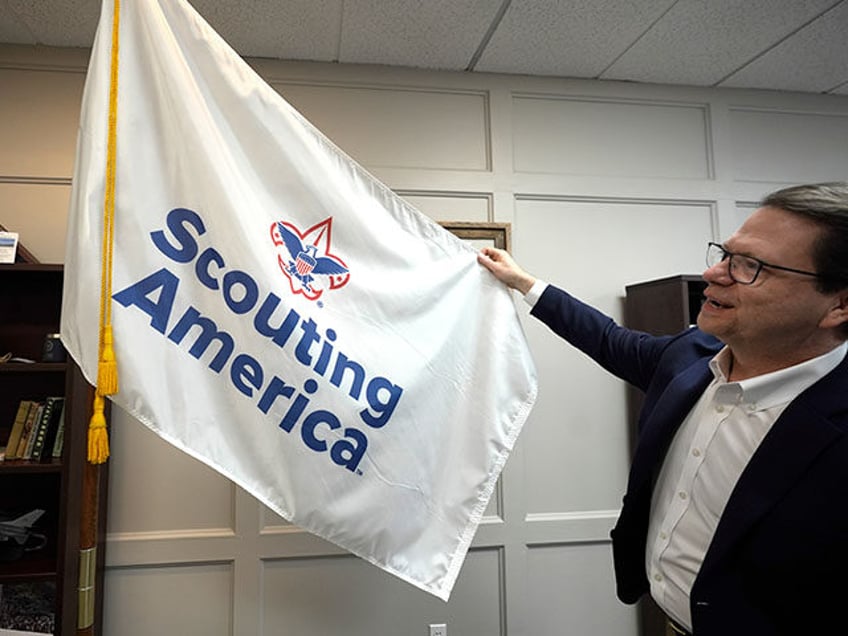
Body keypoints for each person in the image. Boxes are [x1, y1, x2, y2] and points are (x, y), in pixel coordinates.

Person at [477, 182, 848, 636]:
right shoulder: (689, 356)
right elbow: (609, 339)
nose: (715, 274)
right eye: (725, 255)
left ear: (840, 304)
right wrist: (524, 283)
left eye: (752, 266)